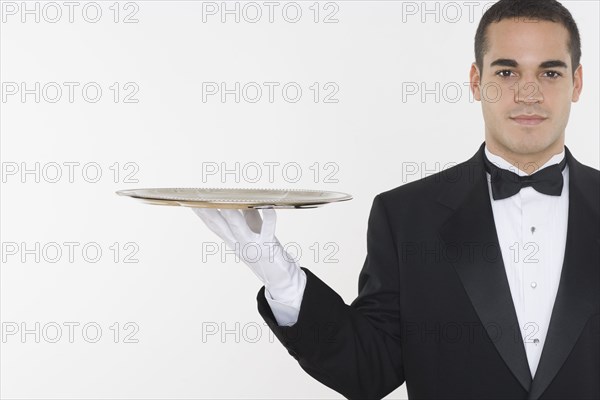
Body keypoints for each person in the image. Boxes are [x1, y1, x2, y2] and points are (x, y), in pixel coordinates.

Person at [193, 0, 599, 398]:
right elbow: (368, 371)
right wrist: (283, 280)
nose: (528, 93)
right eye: (507, 71)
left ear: (576, 83)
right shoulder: (405, 215)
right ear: (476, 82)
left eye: (549, 72)